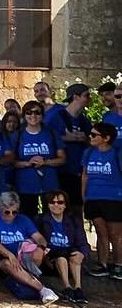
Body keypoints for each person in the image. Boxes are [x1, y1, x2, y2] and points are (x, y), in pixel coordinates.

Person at [0, 192, 59, 304]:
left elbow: (39, 237)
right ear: (0, 208)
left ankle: (27, 280)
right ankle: (42, 289)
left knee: (36, 255)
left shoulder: (23, 219)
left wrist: (41, 248)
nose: (11, 215)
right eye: (7, 212)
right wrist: (9, 255)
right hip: (0, 258)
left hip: (23, 257)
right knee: (8, 264)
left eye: (14, 212)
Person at [82, 122, 122, 279]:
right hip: (93, 197)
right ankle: (102, 264)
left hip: (114, 198)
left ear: (106, 138)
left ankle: (119, 265)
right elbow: (85, 174)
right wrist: (84, 195)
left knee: (116, 234)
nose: (90, 137)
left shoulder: (116, 153)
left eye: (94, 135)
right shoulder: (89, 152)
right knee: (101, 232)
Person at [12, 100, 64, 219]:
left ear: (42, 115)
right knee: (28, 218)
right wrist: (27, 163)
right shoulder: (18, 135)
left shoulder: (51, 133)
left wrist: (45, 162)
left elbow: (62, 158)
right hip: (26, 184)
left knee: (52, 218)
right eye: (29, 113)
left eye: (37, 112)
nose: (33, 116)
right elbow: (11, 162)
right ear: (24, 115)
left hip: (49, 183)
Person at [35, 190, 88, 303]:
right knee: (61, 259)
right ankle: (67, 288)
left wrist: (83, 253)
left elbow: (82, 242)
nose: (56, 205)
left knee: (75, 257)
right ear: (47, 204)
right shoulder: (41, 220)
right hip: (51, 256)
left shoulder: (74, 221)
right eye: (52, 202)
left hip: (70, 253)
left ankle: (78, 288)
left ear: (65, 205)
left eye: (60, 202)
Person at [46, 83, 92, 212]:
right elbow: (48, 139)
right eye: (86, 95)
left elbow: (92, 142)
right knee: (63, 209)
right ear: (76, 97)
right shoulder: (56, 117)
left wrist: (84, 139)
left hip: (80, 170)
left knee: (78, 209)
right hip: (63, 171)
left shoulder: (84, 120)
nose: (90, 98)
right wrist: (67, 138)